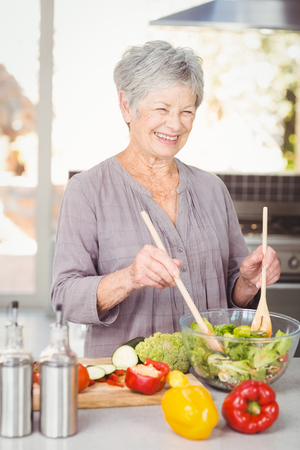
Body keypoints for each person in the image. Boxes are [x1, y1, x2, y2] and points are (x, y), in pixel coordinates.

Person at [51, 40, 280, 357]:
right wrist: (130, 278)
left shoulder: (212, 189)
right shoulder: (88, 190)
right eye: (161, 109)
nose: (175, 124)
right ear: (127, 106)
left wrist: (249, 282)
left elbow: (232, 296)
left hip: (209, 376)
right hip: (129, 384)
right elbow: (63, 298)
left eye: (187, 111)